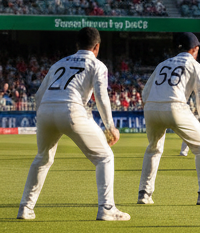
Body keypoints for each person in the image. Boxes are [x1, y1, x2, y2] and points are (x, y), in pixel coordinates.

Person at [17, 26, 130, 221]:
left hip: (46, 110)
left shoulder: (58, 63)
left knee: (43, 158)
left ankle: (25, 208)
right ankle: (106, 208)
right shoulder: (97, 65)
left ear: (77, 45)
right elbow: (101, 96)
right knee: (105, 157)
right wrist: (110, 126)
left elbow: (38, 95)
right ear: (97, 47)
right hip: (71, 109)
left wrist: (44, 116)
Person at [138, 32, 200, 206]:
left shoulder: (162, 64)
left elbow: (145, 93)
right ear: (194, 49)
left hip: (152, 107)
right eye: (198, 48)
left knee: (153, 149)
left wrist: (153, 108)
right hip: (175, 106)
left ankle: (144, 193)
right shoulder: (197, 66)